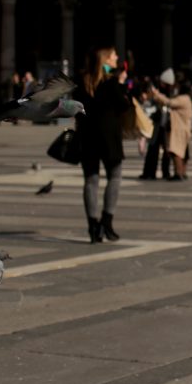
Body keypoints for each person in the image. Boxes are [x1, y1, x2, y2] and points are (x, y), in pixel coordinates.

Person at [72, 47, 131, 244]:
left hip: (87, 136)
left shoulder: (82, 81)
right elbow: (123, 105)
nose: (117, 58)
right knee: (115, 176)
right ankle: (107, 221)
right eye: (114, 56)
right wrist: (122, 85)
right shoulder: (110, 82)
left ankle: (92, 226)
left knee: (91, 180)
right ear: (105, 60)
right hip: (109, 138)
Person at [148, 69, 192, 181]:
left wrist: (157, 95)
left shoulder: (183, 99)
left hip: (180, 129)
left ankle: (179, 173)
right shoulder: (186, 98)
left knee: (176, 152)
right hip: (181, 128)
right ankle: (181, 173)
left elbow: (169, 102)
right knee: (181, 152)